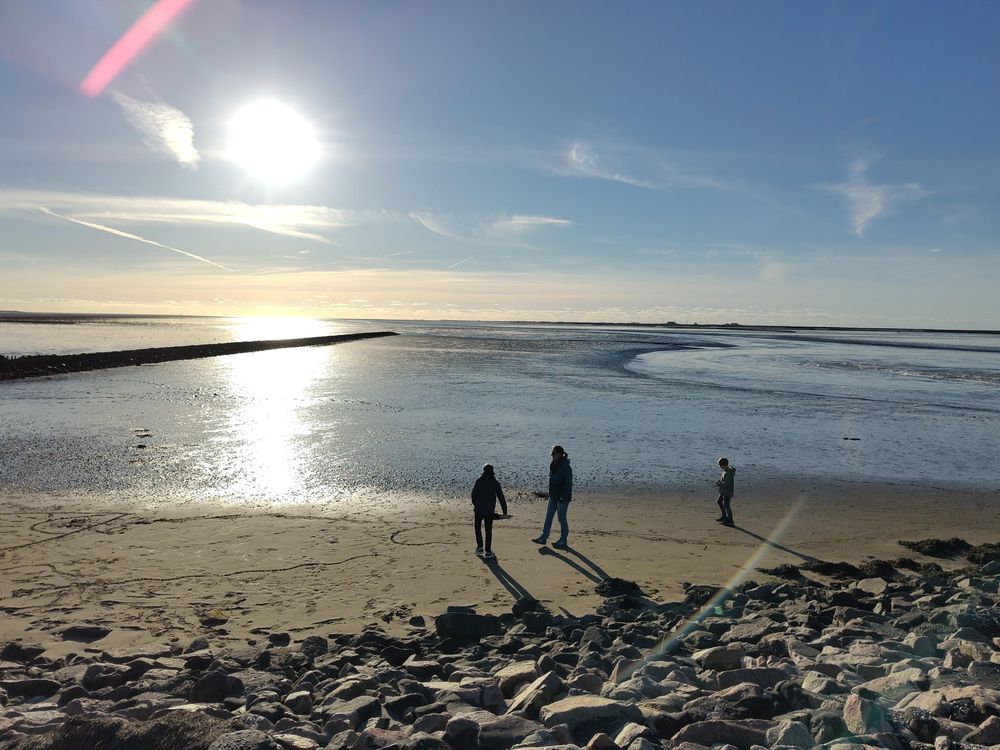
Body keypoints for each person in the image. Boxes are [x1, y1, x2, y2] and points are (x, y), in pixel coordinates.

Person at [532, 445, 572, 549]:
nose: (552, 456)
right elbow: (552, 481)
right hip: (553, 496)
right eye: (552, 454)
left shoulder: (566, 467)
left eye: (554, 454)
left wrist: (563, 497)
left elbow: (568, 484)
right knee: (548, 516)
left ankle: (563, 540)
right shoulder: (554, 464)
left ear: (560, 454)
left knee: (561, 518)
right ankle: (543, 537)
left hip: (562, 498)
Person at [472, 464, 507, 559]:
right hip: (489, 511)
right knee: (488, 530)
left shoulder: (479, 481)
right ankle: (488, 551)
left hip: (478, 509)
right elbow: (501, 497)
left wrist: (475, 504)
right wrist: (505, 511)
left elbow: (473, 494)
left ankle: (479, 547)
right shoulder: (495, 482)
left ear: (483, 471)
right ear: (492, 472)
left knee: (477, 527)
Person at [715, 457, 736, 527]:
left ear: (723, 465)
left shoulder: (729, 472)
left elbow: (727, 483)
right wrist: (720, 482)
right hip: (723, 491)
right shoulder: (726, 470)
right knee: (719, 501)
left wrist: (719, 484)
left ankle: (730, 521)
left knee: (726, 505)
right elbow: (723, 480)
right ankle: (724, 516)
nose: (720, 467)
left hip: (727, 491)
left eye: (720, 466)